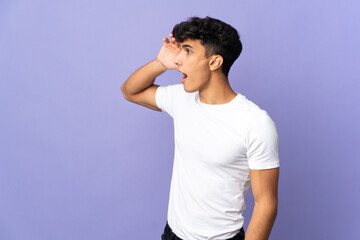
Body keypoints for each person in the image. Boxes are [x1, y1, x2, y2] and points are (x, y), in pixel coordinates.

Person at [121, 16, 279, 240]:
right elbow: (130, 91)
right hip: (172, 234)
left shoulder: (256, 123)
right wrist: (159, 63)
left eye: (187, 51)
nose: (178, 60)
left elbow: (266, 204)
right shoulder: (182, 98)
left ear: (214, 62)